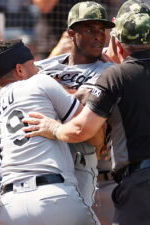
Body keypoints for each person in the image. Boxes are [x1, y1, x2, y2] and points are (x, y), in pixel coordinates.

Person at [23, 9, 150, 225]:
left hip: (147, 185)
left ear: (116, 44)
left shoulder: (116, 75)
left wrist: (53, 128)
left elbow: (82, 130)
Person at [0, 39, 100, 225]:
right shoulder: (39, 81)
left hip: (8, 207)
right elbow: (86, 127)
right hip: (52, 197)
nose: (38, 70)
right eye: (33, 65)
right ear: (20, 70)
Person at [34, 1, 114, 207]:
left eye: (102, 29)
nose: (99, 35)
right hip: (46, 169)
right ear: (71, 34)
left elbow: (86, 110)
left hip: (93, 173)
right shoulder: (47, 65)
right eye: (90, 29)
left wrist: (53, 90)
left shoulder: (110, 71)